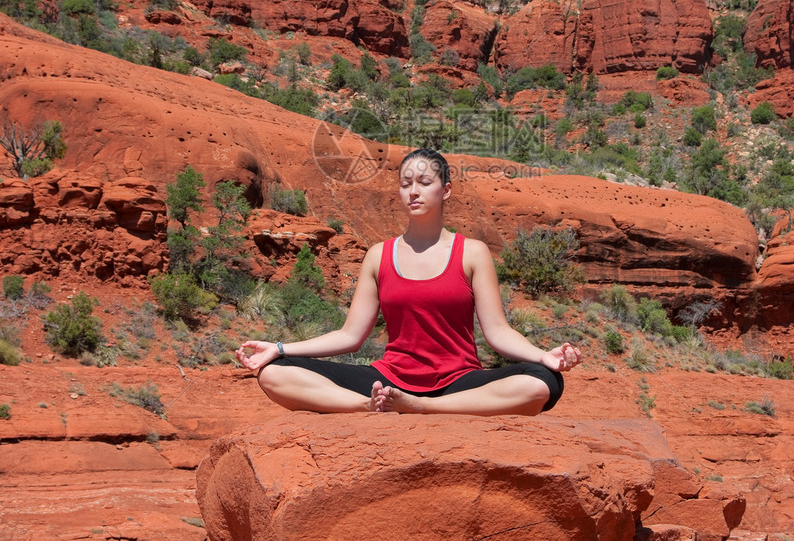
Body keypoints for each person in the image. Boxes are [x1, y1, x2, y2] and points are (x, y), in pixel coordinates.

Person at [236, 148, 581, 415]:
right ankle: (369, 408)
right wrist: (279, 349)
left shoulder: (472, 253)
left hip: (458, 381)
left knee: (542, 383)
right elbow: (350, 336)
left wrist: (543, 357)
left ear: (445, 191)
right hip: (388, 379)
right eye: (406, 184)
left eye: (424, 183)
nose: (413, 192)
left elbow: (498, 333)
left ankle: (422, 408)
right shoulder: (379, 255)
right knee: (274, 374)